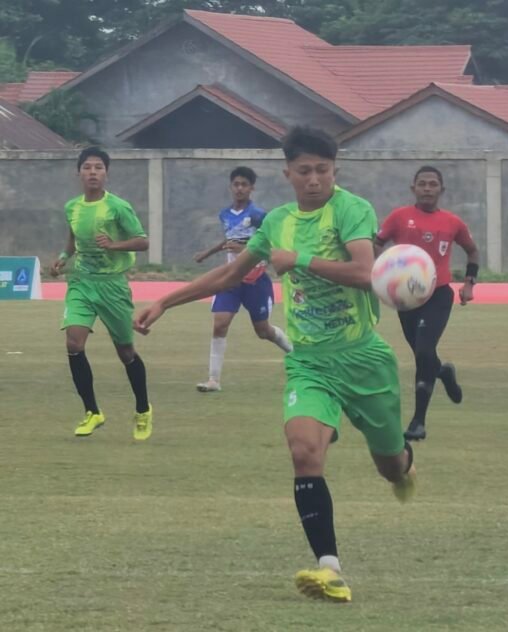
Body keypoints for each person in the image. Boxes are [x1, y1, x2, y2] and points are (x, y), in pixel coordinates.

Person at [134, 126, 416, 603]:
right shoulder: (277, 223)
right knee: (303, 450)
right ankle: (330, 569)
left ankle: (404, 463)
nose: (313, 180)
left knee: (391, 467)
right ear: (287, 173)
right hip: (309, 363)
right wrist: (165, 301)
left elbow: (366, 272)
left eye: (322, 171)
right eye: (304, 171)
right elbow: (228, 273)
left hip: (364, 359)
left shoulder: (350, 209)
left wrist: (298, 258)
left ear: (335, 171)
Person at [50, 146, 153, 440]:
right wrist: (62, 257)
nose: (92, 172)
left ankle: (143, 410)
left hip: (112, 285)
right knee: (73, 342)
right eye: (87, 167)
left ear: (106, 173)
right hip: (82, 282)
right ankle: (92, 412)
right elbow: (72, 238)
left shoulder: (118, 207)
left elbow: (142, 242)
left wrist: (114, 245)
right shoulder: (72, 207)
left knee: (125, 351)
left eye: (98, 167)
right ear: (78, 173)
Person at [375, 166, 480, 441]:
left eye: (433, 184)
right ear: (413, 188)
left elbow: (472, 250)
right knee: (424, 355)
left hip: (438, 294)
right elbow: (377, 244)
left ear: (441, 190)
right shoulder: (399, 217)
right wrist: (378, 271)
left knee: (423, 351)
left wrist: (469, 283)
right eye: (422, 184)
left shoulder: (452, 222)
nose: (427, 188)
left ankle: (418, 422)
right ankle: (443, 371)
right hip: (405, 298)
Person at [193, 166, 292, 392]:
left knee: (263, 331)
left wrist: (243, 248)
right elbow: (229, 240)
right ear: (231, 187)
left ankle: (297, 354)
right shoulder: (225, 214)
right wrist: (207, 253)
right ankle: (213, 380)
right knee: (220, 323)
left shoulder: (259, 215)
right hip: (231, 278)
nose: (239, 188)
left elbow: (269, 244)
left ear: (252, 188)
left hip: (256, 279)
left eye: (244, 184)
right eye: (236, 184)